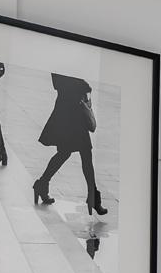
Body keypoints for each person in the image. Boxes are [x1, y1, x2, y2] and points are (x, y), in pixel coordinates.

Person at [32, 73, 106, 215]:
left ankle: (42, 184)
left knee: (69, 153)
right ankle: (93, 197)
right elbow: (63, 82)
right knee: (77, 153)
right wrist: (83, 85)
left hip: (69, 111)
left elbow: (58, 82)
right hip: (70, 112)